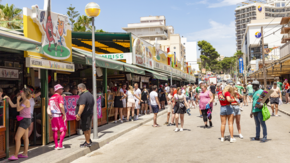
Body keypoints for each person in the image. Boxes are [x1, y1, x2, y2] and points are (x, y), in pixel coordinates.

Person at [5, 87, 32, 160]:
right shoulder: (23, 100)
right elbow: (14, 106)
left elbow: (18, 109)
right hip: (25, 120)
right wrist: (9, 99)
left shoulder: (26, 101)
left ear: (24, 93)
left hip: (25, 120)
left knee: (17, 137)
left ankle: (15, 155)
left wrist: (17, 99)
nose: (20, 93)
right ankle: (25, 153)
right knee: (25, 137)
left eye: (21, 92)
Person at [47, 84, 67, 149]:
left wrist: (50, 115)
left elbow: (48, 108)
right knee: (63, 130)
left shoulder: (51, 98)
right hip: (59, 116)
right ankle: (60, 145)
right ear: (58, 90)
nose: (62, 90)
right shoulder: (60, 96)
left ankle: (56, 145)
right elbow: (61, 106)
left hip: (53, 116)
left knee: (55, 131)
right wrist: (64, 114)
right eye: (61, 89)